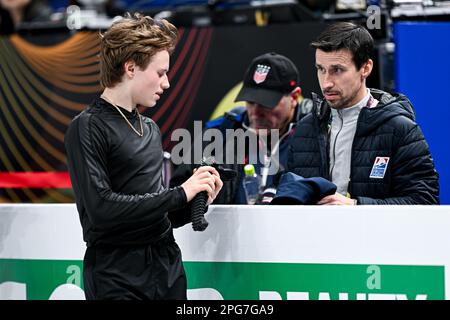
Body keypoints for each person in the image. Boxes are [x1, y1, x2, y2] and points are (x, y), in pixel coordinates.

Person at [64, 13, 223, 300]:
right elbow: (102, 208)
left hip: (167, 266)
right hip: (116, 274)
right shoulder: (87, 126)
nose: (167, 84)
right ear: (131, 68)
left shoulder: (149, 127)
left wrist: (196, 198)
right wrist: (179, 194)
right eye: (161, 73)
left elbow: (155, 213)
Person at [287, 22, 439, 205]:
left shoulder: (400, 129)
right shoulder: (305, 129)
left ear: (366, 68)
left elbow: (425, 202)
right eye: (321, 69)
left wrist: (356, 206)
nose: (326, 83)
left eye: (337, 70)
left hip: (375, 234)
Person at [170, 52, 313, 204]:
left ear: (294, 97)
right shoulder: (222, 131)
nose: (256, 112)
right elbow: (178, 191)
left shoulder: (315, 134)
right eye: (251, 102)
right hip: (233, 227)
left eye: (266, 104)